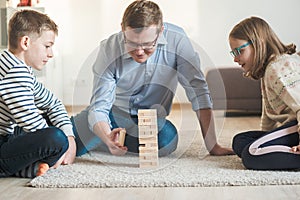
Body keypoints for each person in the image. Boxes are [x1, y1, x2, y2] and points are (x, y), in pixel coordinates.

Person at [72, 0, 233, 157]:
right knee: (69, 141)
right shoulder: (109, 48)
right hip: (114, 115)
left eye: (148, 44)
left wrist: (213, 146)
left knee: (166, 140)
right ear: (122, 29)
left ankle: (108, 141)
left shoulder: (177, 40)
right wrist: (107, 136)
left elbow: (198, 92)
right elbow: (99, 107)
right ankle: (108, 139)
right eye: (132, 44)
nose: (140, 51)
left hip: (152, 120)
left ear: (161, 31)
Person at [0, 10, 76, 178]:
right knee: (56, 138)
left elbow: (53, 103)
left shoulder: (21, 68)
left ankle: (29, 167)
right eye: (47, 46)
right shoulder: (14, 72)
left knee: (60, 129)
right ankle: (28, 168)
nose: (50, 54)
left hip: (7, 135)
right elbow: (32, 123)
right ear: (26, 42)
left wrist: (70, 136)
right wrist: (63, 145)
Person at [229, 16, 300, 170]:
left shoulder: (278, 67)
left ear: (258, 44)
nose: (235, 58)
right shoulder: (268, 70)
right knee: (240, 141)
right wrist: (267, 137)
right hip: (293, 126)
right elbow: (268, 114)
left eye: (239, 51)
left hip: (297, 124)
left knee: (251, 154)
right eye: (233, 53)